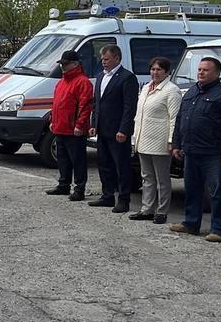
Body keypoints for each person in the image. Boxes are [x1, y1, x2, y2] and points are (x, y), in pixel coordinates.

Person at [170, 57, 221, 241]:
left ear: (217, 73)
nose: (200, 72)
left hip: (214, 153)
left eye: (205, 70)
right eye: (199, 69)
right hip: (191, 150)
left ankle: (218, 229)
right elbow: (180, 119)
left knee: (217, 192)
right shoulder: (192, 91)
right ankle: (191, 223)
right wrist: (177, 144)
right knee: (192, 189)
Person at [129, 57, 182, 224]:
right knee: (147, 177)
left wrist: (171, 140)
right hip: (143, 139)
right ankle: (147, 209)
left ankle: (162, 211)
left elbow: (174, 118)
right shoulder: (146, 88)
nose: (155, 72)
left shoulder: (171, 90)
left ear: (167, 72)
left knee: (162, 179)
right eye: (153, 69)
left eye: (159, 70)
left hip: (160, 141)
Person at [88, 44, 139, 213]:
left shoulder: (127, 77)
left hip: (118, 131)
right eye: (102, 59)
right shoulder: (100, 77)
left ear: (117, 58)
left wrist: (124, 129)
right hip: (103, 129)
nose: (103, 62)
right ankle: (107, 195)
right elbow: (97, 103)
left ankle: (124, 199)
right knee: (104, 164)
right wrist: (94, 124)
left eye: (107, 59)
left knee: (121, 166)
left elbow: (129, 107)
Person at [45, 50, 93, 200]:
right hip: (61, 127)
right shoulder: (61, 82)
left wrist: (80, 125)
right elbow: (57, 104)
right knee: (63, 158)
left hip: (74, 130)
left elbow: (85, 106)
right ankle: (64, 184)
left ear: (75, 64)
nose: (62, 67)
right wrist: (53, 120)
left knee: (78, 160)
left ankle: (79, 189)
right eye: (62, 64)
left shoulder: (83, 82)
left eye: (65, 64)